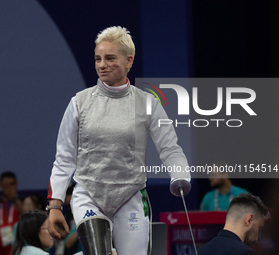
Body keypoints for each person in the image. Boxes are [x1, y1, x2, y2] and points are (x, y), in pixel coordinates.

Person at [47, 26, 191, 255]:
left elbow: (170, 148)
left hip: (131, 196)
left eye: (110, 58)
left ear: (128, 61)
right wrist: (55, 205)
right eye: (98, 58)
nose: (102, 64)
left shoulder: (147, 103)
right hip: (89, 195)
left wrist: (180, 174)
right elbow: (64, 158)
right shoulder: (79, 103)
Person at [198, 193, 267, 255]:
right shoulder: (247, 253)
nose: (256, 238)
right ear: (249, 220)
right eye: (259, 228)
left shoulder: (200, 251)